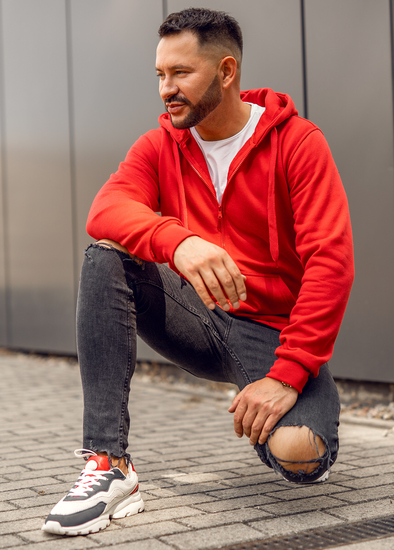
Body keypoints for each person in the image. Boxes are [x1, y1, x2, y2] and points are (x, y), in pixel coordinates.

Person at [42, 7, 354, 536]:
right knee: (106, 255)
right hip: (198, 313)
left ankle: (288, 403)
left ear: (226, 71)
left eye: (181, 73)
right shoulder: (160, 145)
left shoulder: (298, 143)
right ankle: (108, 464)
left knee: (300, 455)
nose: (166, 88)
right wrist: (179, 240)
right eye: (161, 74)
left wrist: (289, 372)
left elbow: (332, 262)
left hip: (274, 334)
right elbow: (106, 210)